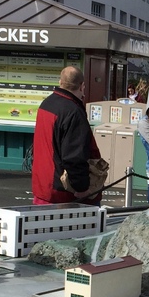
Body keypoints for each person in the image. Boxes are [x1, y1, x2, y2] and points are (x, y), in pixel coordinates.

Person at [31, 66, 101, 204]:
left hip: (43, 186)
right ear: (82, 87)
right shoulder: (73, 112)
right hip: (63, 192)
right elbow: (74, 156)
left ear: (60, 82)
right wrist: (82, 188)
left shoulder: (47, 104)